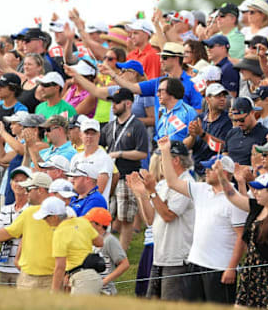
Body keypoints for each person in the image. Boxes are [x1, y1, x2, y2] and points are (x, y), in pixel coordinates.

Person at [158, 137, 248, 304]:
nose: (206, 171)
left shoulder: (235, 199)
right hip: (196, 263)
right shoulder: (201, 189)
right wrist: (164, 151)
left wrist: (231, 268)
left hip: (219, 268)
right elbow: (172, 182)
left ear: (225, 173)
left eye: (211, 169)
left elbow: (241, 237)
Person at [217, 166, 268, 310]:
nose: (255, 193)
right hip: (251, 272)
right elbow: (232, 196)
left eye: (260, 189)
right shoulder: (257, 207)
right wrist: (221, 176)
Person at [126, 141, 195, 301]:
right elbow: (150, 219)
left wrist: (151, 191)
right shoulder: (163, 184)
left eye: (162, 157)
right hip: (160, 256)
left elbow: (168, 215)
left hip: (177, 260)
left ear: (176, 160)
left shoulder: (187, 183)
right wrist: (142, 194)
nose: (160, 162)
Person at [0, 171, 54, 289]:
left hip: (50, 276)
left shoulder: (61, 213)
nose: (26, 192)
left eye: (29, 189)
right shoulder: (29, 212)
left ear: (40, 190)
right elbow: (9, 232)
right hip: (27, 275)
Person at [99, 87, 149, 249]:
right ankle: (106, 248)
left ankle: (122, 251)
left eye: (117, 102)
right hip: (109, 175)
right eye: (112, 102)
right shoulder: (110, 125)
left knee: (126, 217)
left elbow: (142, 153)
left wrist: (119, 154)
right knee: (108, 213)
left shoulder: (137, 126)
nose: (113, 105)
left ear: (128, 104)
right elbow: (100, 146)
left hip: (128, 174)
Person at [37, 196, 104, 294]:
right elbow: (99, 242)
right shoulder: (82, 221)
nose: (44, 220)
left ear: (54, 217)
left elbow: (60, 266)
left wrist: (54, 291)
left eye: (45, 218)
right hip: (93, 276)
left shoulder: (59, 233)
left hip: (81, 280)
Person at [0, 168, 29, 286]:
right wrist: (16, 232)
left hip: (23, 267)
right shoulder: (6, 209)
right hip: (4, 266)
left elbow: (30, 235)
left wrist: (6, 233)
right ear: (11, 184)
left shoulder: (32, 210)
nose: (19, 184)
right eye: (16, 181)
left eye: (23, 181)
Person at [185, 83, 233, 176]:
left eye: (223, 96)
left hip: (215, 172)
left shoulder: (228, 120)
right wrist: (192, 136)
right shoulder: (199, 118)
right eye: (218, 96)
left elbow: (222, 147)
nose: (222, 99)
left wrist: (202, 134)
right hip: (197, 170)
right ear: (207, 99)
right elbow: (186, 146)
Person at [84, 207, 130, 296]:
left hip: (105, 292)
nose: (86, 224)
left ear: (99, 225)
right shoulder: (89, 238)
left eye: (90, 222)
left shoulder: (109, 240)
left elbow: (124, 264)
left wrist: (105, 281)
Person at [70, 118, 114, 204]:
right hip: (77, 205)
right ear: (80, 135)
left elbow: (98, 190)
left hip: (96, 207)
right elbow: (71, 183)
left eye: (93, 133)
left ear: (99, 135)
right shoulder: (75, 157)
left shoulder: (105, 158)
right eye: (86, 133)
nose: (89, 136)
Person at [224, 97, 268, 166]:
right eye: (236, 120)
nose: (239, 123)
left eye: (242, 120)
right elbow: (225, 157)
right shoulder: (231, 133)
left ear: (252, 112)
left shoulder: (265, 135)